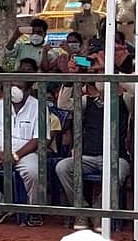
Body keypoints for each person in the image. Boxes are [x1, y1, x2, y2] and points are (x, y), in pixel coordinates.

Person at [0, 65, 46, 227]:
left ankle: (33, 209)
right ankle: (0, 205)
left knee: (34, 172)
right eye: (12, 86)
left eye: (19, 87)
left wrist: (15, 155)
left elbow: (38, 140)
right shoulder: (0, 105)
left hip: (25, 152)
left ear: (28, 90)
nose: (14, 90)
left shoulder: (38, 106)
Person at [55, 82, 130, 231]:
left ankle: (99, 212)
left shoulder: (125, 100)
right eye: (98, 74)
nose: (102, 80)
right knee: (62, 167)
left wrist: (119, 71)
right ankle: (82, 210)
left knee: (119, 171)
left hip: (116, 158)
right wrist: (73, 79)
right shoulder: (86, 101)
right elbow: (63, 104)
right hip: (88, 157)